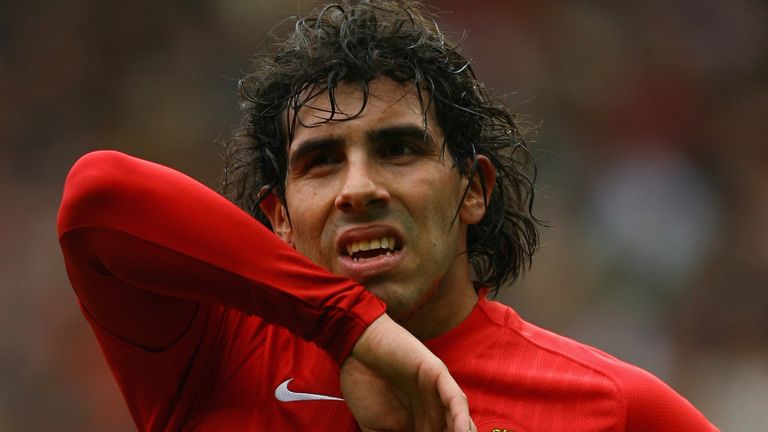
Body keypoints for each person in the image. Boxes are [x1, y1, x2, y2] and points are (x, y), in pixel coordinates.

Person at [57, 1, 718, 431]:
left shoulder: (609, 406)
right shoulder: (216, 356)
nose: (359, 187)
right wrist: (348, 327)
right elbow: (97, 197)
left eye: (398, 149)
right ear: (278, 219)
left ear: (474, 189)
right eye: (320, 161)